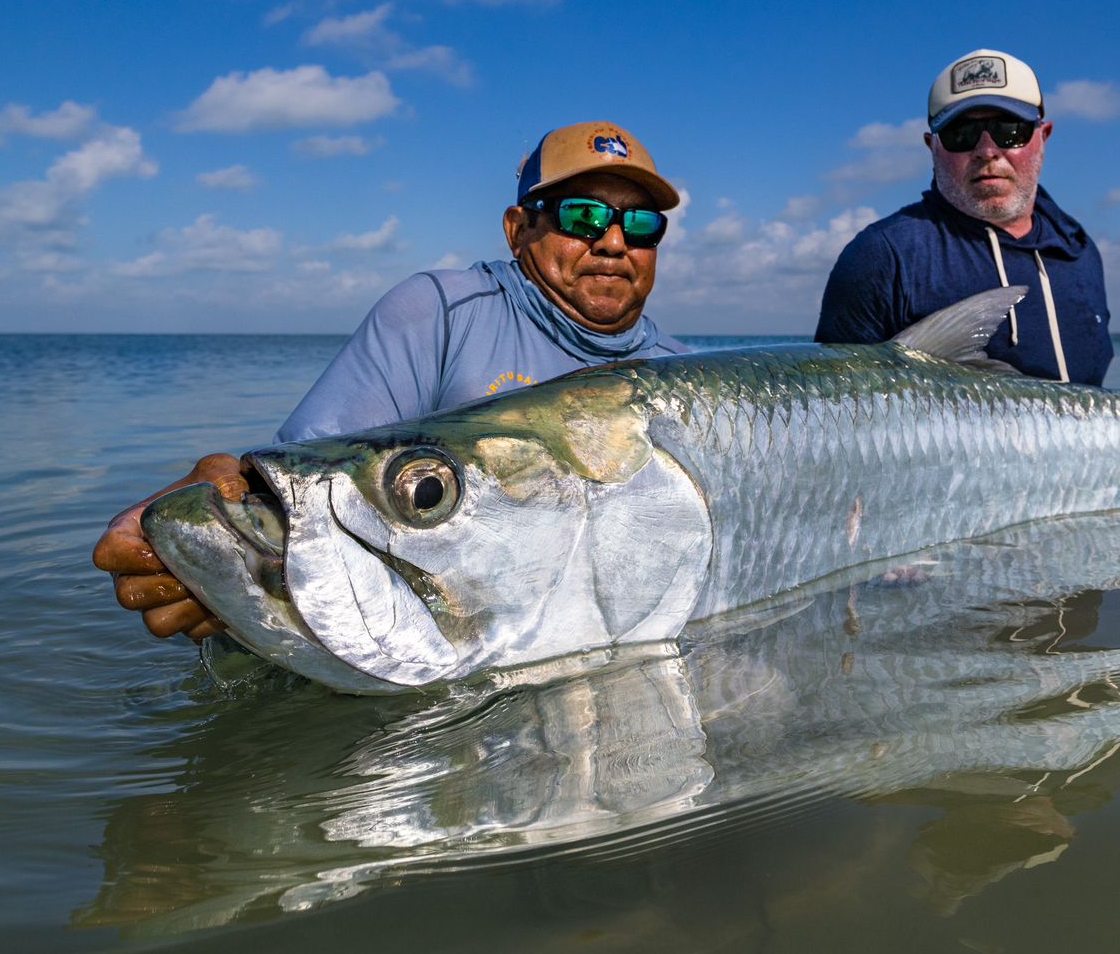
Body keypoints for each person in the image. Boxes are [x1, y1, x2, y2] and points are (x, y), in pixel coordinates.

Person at [93, 121, 687, 641]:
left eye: (639, 225)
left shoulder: (681, 374)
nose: (613, 242)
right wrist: (237, 513)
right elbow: (316, 482)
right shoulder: (440, 313)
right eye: (582, 216)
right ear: (517, 229)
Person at [815, 48, 1120, 495]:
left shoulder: (1077, 250)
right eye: (961, 134)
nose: (987, 151)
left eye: (1009, 131)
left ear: (1043, 135)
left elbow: (1092, 409)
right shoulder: (882, 254)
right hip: (947, 529)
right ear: (932, 146)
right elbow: (829, 437)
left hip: (1087, 514)